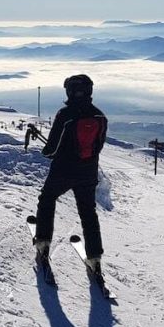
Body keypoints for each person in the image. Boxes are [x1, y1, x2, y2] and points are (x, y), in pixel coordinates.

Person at [31, 74, 108, 278]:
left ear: (69, 91)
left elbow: (52, 149)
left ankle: (43, 242)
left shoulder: (65, 115)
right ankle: (94, 258)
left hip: (63, 171)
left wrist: (47, 152)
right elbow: (98, 146)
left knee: (47, 199)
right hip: (88, 172)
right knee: (88, 213)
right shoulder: (100, 117)